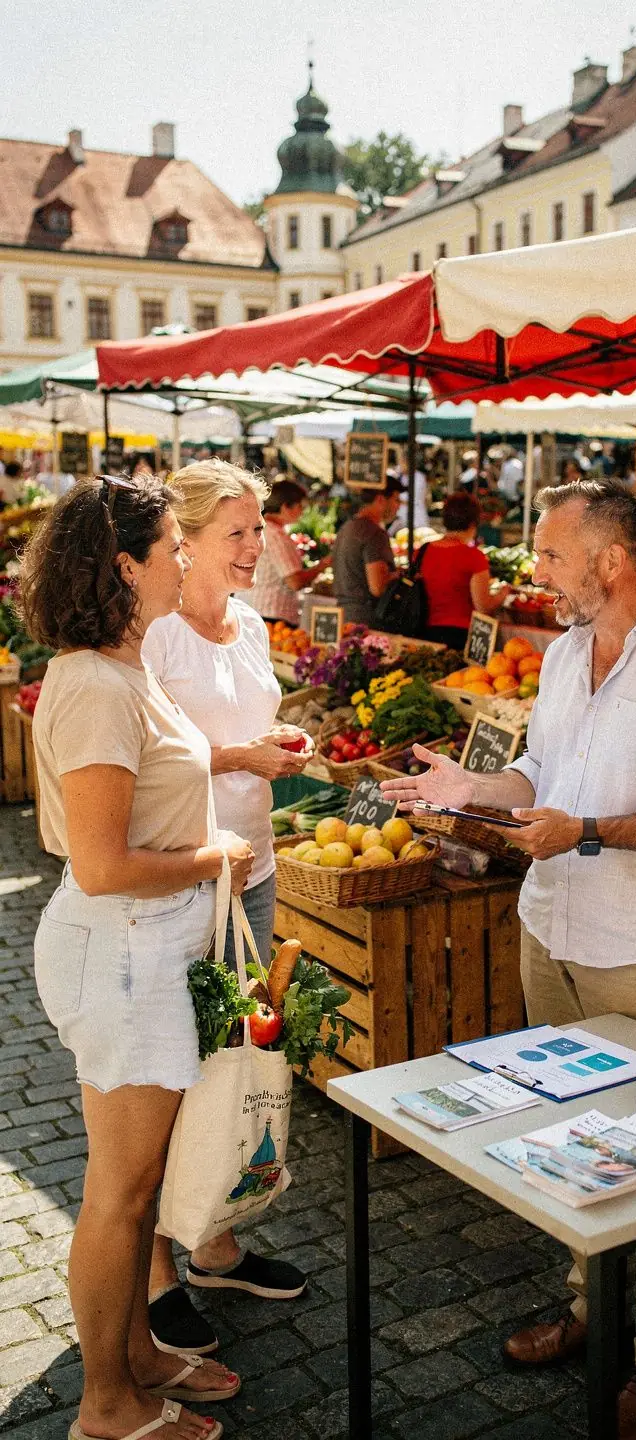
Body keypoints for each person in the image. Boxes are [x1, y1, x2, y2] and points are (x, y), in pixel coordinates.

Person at [381, 478, 636, 1440]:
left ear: (611, 560)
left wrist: (581, 831)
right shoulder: (563, 655)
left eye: (550, 555)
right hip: (552, 928)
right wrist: (473, 787)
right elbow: (540, 773)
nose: (535, 571)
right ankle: (592, 1304)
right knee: (575, 1130)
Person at [20, 476, 255, 1440]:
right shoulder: (93, 683)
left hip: (145, 947)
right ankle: (107, 1402)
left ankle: (139, 1356)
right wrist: (217, 855)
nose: (187, 556)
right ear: (125, 566)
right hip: (121, 948)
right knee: (118, 1194)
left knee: (138, 1183)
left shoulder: (126, 667)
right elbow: (103, 863)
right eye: (173, 545)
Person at [141, 459, 312, 1355]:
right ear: (189, 538)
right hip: (182, 874)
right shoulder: (155, 633)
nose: (256, 546)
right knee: (168, 1072)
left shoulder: (249, 624)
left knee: (231, 1062)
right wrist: (243, 757)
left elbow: (241, 727)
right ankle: (154, 1272)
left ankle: (212, 1242)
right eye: (237, 533)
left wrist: (273, 742)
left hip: (255, 870)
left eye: (259, 529)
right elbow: (143, 760)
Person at [418, 493, 511, 649]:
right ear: (473, 523)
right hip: (461, 637)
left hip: (422, 633)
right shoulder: (473, 557)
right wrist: (503, 593)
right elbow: (483, 606)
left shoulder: (422, 551)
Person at [242, 477, 331, 625]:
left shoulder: (256, 529)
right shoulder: (275, 536)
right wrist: (323, 565)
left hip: (250, 608)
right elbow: (294, 581)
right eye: (300, 506)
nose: (302, 511)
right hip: (271, 615)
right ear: (285, 507)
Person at [332, 475, 402, 625]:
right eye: (396, 500)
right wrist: (399, 575)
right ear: (380, 500)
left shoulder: (347, 527)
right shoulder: (374, 533)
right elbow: (377, 587)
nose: (399, 506)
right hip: (367, 621)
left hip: (344, 616)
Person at [391, 460, 430, 534]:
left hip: (417, 519)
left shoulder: (419, 477)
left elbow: (412, 498)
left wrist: (394, 498)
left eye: (402, 464)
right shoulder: (402, 476)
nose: (400, 466)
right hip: (402, 519)